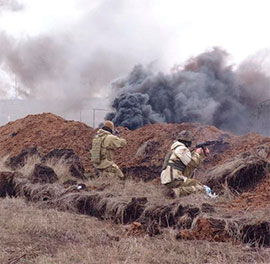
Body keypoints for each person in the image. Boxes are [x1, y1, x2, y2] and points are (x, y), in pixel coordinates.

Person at [161, 130, 213, 198]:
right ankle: (176, 192)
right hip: (174, 179)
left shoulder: (176, 149)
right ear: (187, 141)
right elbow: (192, 163)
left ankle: (176, 191)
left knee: (195, 183)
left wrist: (201, 154)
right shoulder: (181, 149)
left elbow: (189, 167)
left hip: (171, 178)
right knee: (201, 188)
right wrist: (197, 153)